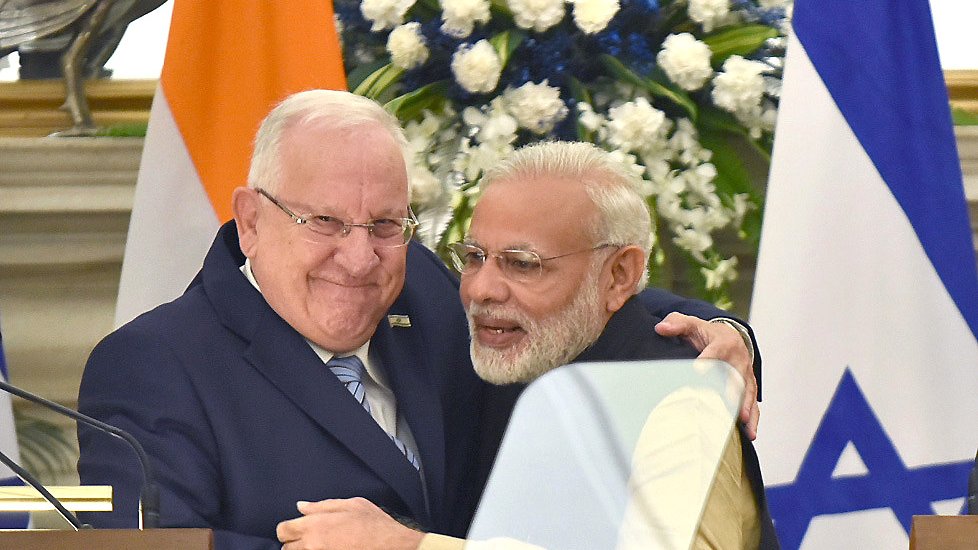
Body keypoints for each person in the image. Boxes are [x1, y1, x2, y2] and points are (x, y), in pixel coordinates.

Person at [77, 91, 760, 550]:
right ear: (252, 221)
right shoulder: (153, 367)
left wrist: (727, 332)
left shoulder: (423, 291)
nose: (359, 257)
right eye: (324, 222)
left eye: (384, 224)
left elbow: (576, 298)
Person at [276, 141, 778, 550]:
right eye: (473, 257)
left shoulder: (680, 401)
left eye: (523, 263)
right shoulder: (504, 344)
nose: (479, 290)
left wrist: (408, 547)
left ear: (619, 274)